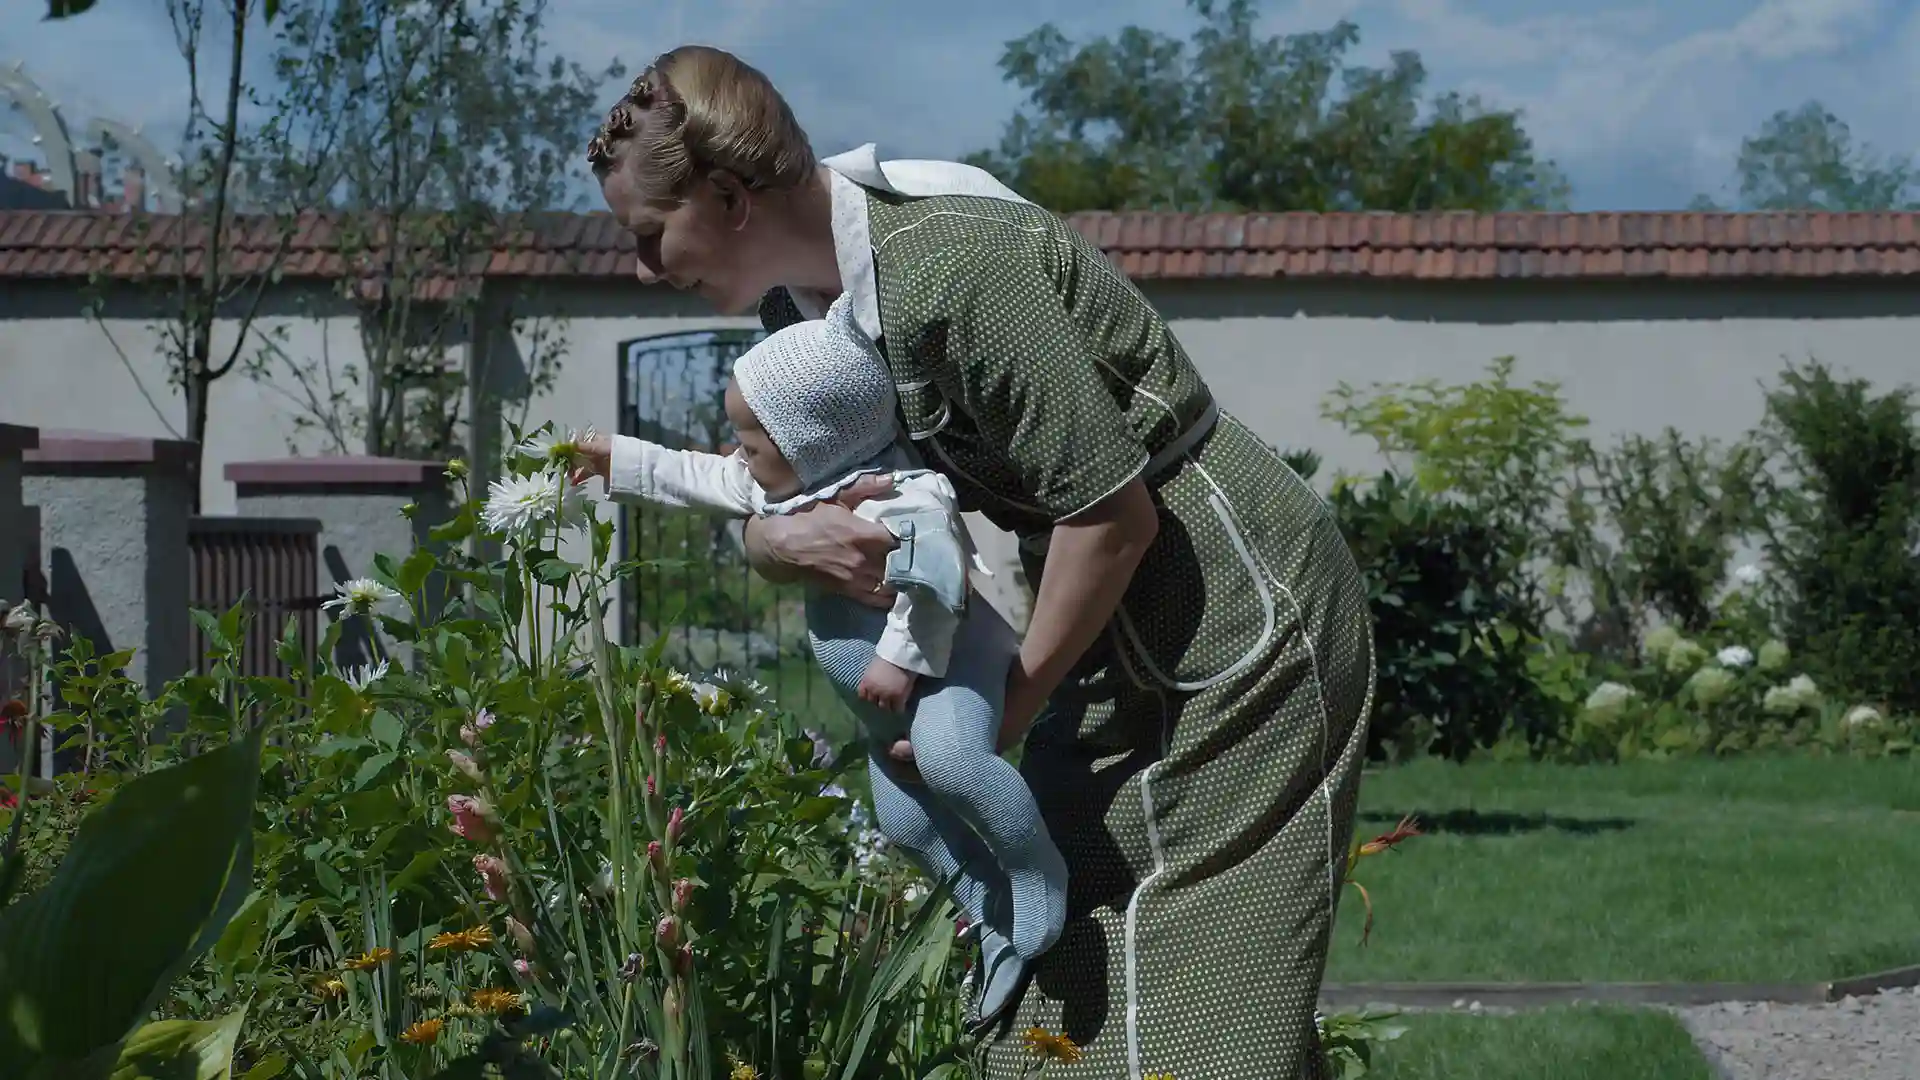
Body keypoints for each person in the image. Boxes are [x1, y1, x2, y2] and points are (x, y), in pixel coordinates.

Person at [583, 45, 1376, 1080]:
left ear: (730, 197)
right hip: (1099, 618)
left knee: (1194, 996)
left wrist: (1007, 714)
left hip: (1229, 603)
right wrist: (777, 543)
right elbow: (775, 498)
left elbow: (1114, 518)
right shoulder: (800, 317)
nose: (645, 268)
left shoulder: (954, 267)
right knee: (1069, 972)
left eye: (650, 234)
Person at [575, 295, 1067, 1027]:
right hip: (888, 707)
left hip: (949, 669)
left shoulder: (904, 495)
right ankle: (988, 907)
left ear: (812, 439)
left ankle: (1036, 873)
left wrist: (898, 661)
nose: (737, 452)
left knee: (952, 760)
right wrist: (614, 458)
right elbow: (695, 474)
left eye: (752, 441)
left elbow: (939, 581)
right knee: (904, 821)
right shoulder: (789, 483)